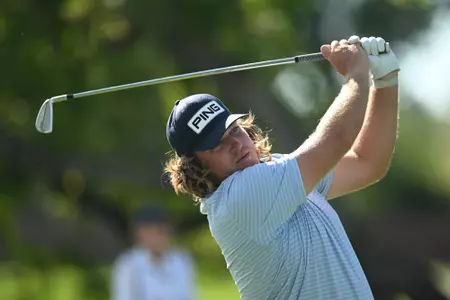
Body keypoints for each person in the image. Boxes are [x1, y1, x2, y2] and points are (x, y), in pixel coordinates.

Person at [164, 35, 400, 299]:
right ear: (196, 167)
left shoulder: (277, 173)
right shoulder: (238, 199)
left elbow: (367, 163)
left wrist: (385, 80)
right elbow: (337, 139)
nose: (235, 144)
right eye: (216, 144)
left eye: (234, 130)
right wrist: (356, 73)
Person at [111, 204, 197, 300]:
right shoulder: (128, 264)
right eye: (153, 231)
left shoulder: (181, 260)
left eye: (162, 231)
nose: (159, 237)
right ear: (139, 234)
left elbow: (189, 295)